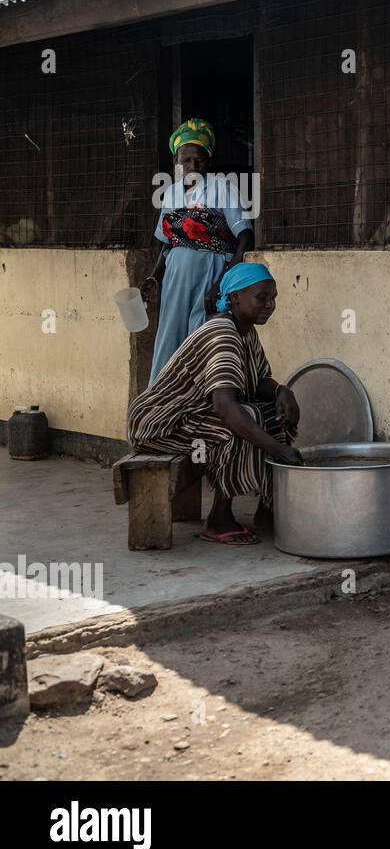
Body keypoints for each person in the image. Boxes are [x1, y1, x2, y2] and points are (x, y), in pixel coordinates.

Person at [127, 263, 302, 545]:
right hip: (159, 422)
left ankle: (268, 506)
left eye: (273, 299)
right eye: (262, 298)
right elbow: (225, 406)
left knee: (273, 412)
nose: (269, 305)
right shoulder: (223, 334)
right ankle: (218, 519)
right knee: (243, 418)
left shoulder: (245, 331)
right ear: (235, 297)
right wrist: (278, 449)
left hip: (192, 416)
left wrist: (283, 392)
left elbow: (257, 380)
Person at [139, 119, 253, 383]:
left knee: (201, 339)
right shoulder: (171, 194)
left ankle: (199, 408)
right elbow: (167, 243)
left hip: (210, 276)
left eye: (199, 160)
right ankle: (161, 401)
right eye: (186, 161)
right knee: (170, 335)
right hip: (176, 279)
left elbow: (245, 238)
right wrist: (154, 277)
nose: (193, 167)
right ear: (176, 162)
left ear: (208, 161)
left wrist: (222, 283)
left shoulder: (222, 189)